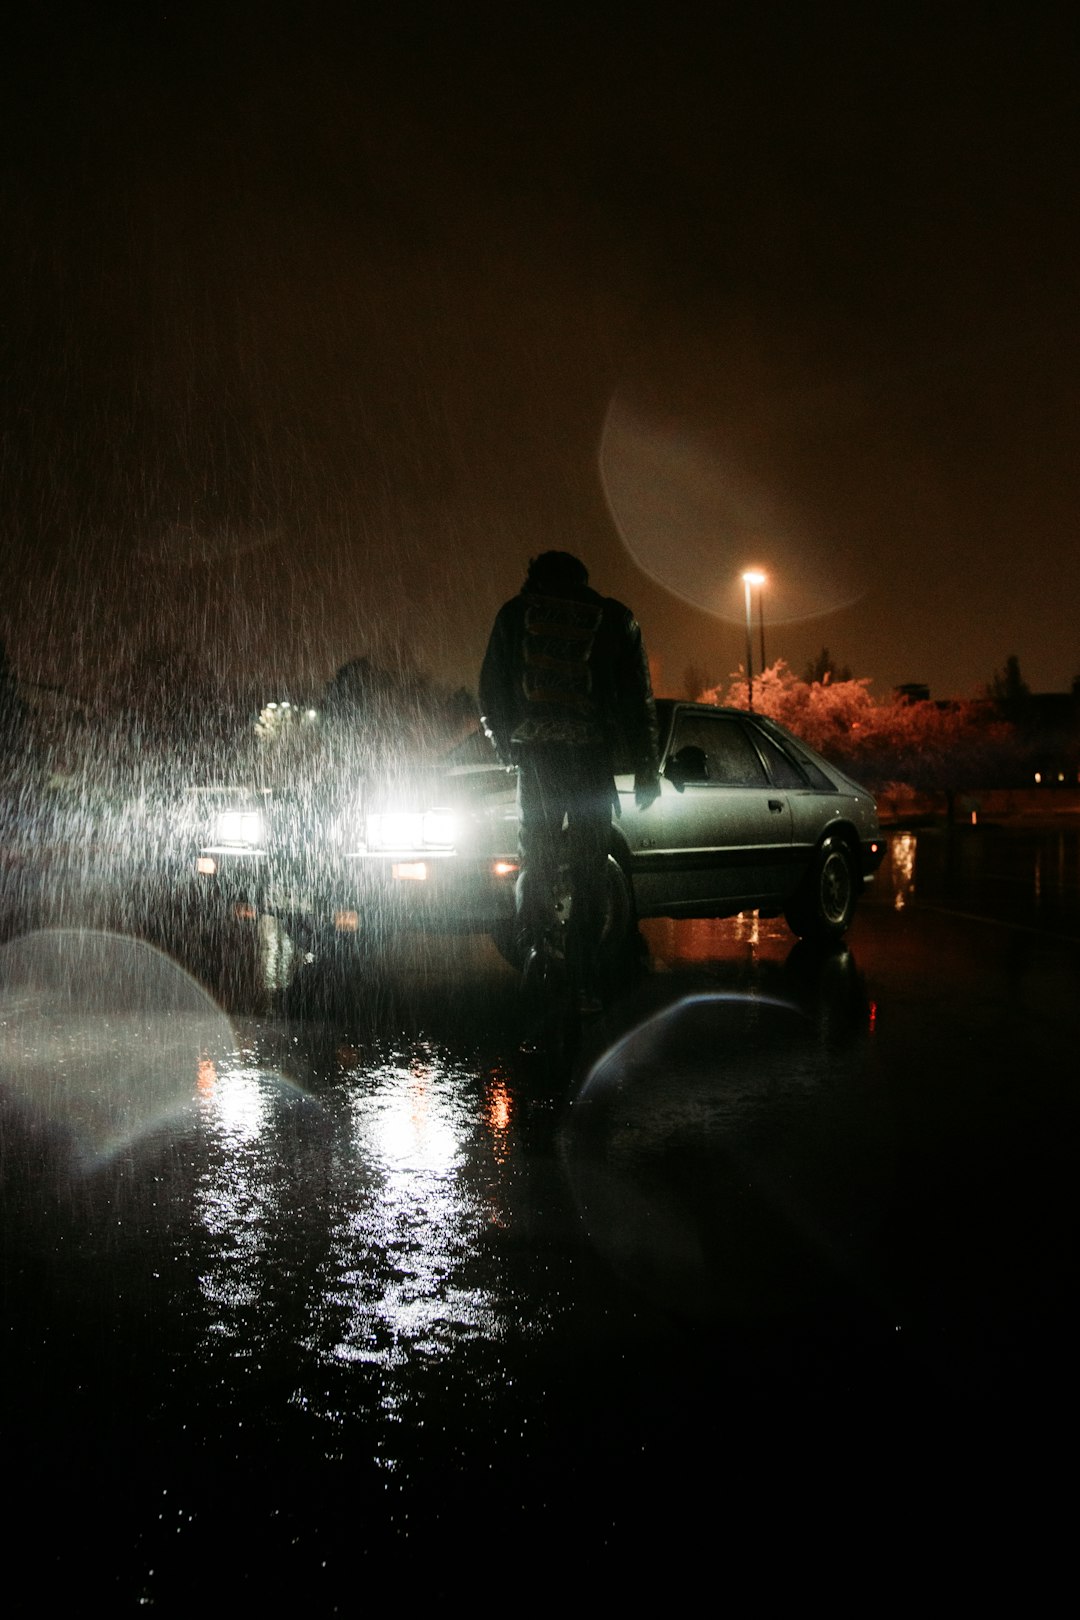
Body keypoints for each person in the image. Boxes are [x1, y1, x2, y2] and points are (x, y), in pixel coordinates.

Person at [479, 551, 660, 1011]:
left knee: (536, 857)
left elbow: (492, 687)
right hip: (590, 760)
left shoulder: (516, 614)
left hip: (538, 759)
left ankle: (537, 950)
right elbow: (638, 697)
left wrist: (508, 747)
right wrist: (645, 766)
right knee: (588, 867)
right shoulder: (614, 616)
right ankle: (581, 979)